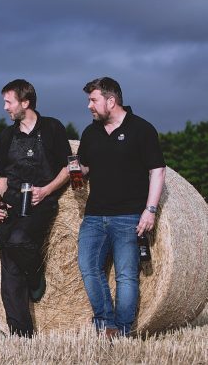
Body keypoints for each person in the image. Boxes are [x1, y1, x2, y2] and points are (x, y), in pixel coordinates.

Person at [77, 77, 166, 339]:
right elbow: (84, 169)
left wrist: (150, 210)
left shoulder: (142, 129)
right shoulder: (90, 132)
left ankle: (123, 330)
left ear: (111, 101)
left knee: (126, 276)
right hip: (93, 215)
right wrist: (76, 170)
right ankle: (106, 322)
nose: (89, 106)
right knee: (87, 266)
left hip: (129, 216)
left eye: (93, 100)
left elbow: (157, 171)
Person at [0, 79, 71, 337]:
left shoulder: (52, 128)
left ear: (25, 103)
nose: (5, 107)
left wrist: (46, 190)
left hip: (41, 202)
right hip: (13, 201)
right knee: (4, 244)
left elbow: (69, 166)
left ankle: (35, 272)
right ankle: (20, 333)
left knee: (18, 239)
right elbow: (2, 177)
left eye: (8, 102)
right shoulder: (7, 136)